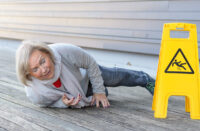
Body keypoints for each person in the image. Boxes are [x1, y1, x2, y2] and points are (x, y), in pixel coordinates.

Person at [16, 40, 155, 109]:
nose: (44, 69)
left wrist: (99, 91)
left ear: (47, 53)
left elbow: (90, 62)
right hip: (81, 92)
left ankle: (145, 80)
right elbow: (45, 104)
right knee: (98, 99)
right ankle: (98, 90)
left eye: (43, 61)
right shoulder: (35, 93)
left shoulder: (63, 51)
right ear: (29, 74)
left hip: (86, 74)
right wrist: (62, 103)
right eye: (35, 69)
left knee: (113, 78)